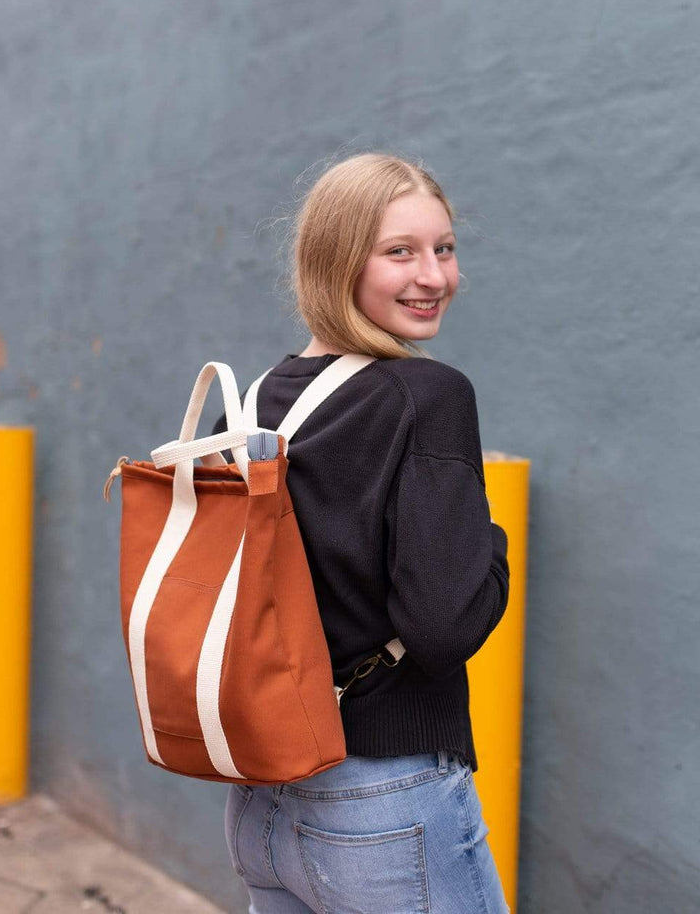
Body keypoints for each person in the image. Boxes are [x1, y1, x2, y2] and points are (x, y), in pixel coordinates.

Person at [213, 153, 511, 913]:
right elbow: (442, 626)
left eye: (443, 248)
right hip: (385, 801)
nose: (434, 276)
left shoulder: (245, 409)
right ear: (337, 263)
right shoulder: (427, 395)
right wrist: (495, 546)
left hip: (260, 806)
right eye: (400, 252)